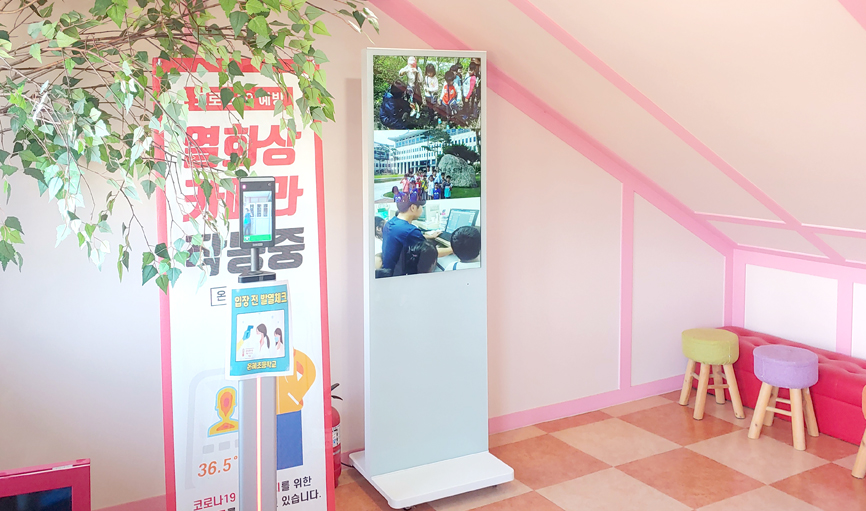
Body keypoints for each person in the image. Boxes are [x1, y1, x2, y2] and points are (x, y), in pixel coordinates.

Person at [380, 198, 451, 276]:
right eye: (421, 207)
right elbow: (430, 253)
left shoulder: (390, 223)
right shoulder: (411, 231)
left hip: (388, 272)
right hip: (400, 275)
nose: (422, 210)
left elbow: (403, 237)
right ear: (413, 207)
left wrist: (429, 236)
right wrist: (452, 249)